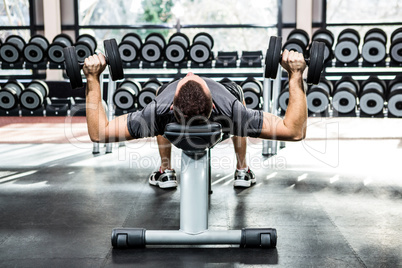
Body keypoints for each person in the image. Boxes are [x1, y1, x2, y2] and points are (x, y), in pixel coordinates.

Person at [82, 49, 307, 189]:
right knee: (237, 91)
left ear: (172, 105)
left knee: (159, 97)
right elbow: (294, 131)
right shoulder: (231, 111)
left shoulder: (159, 109)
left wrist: (92, 77)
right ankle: (242, 169)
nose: (190, 74)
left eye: (190, 78)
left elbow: (99, 133)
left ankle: (166, 170)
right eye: (193, 78)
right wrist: (295, 74)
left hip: (168, 122)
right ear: (213, 104)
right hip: (226, 117)